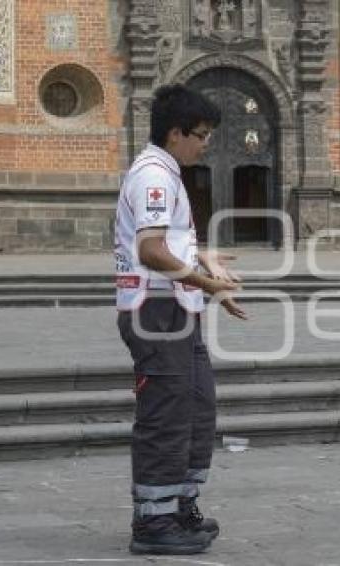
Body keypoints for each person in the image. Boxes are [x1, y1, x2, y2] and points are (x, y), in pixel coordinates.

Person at [114, 84, 248, 555]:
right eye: (202, 134)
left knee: (196, 409)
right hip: (156, 311)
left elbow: (164, 241)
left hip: (175, 310)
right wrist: (205, 283)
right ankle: (153, 521)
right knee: (167, 417)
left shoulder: (166, 173)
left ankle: (179, 504)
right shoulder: (154, 176)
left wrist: (201, 257)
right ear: (176, 133)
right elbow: (149, 250)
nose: (206, 144)